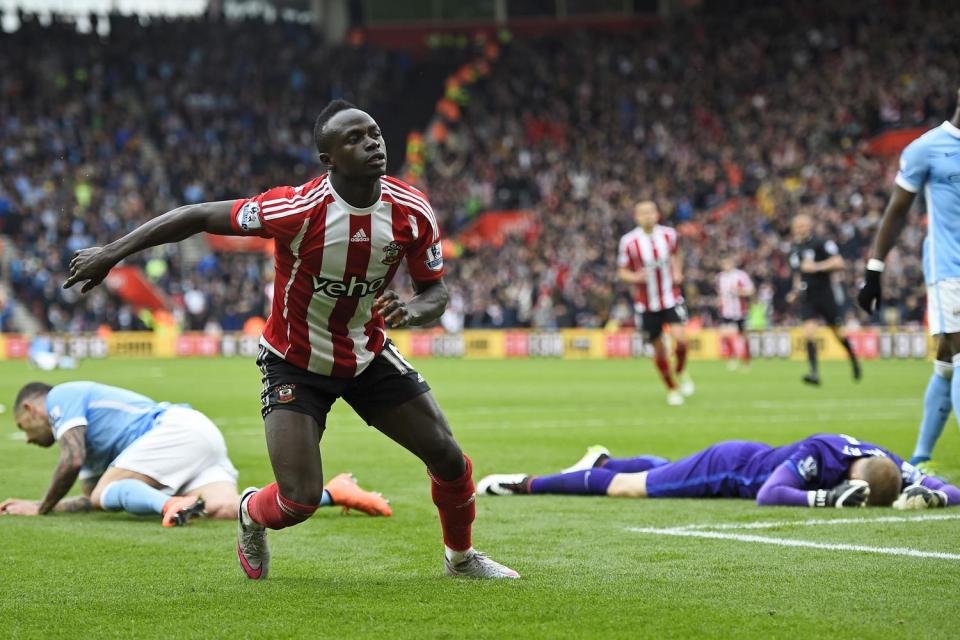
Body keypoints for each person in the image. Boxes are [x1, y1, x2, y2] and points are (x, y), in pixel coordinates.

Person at [63, 100, 518, 580]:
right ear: (329, 160)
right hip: (294, 362)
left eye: (375, 133)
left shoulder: (412, 210)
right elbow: (197, 216)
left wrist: (413, 309)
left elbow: (436, 290)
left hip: (367, 353)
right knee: (298, 499)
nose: (372, 143)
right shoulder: (295, 208)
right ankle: (249, 513)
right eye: (355, 139)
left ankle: (461, 560)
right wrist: (111, 253)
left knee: (447, 456)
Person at [1, 381, 392, 524]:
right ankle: (334, 492)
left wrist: (41, 507)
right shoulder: (91, 445)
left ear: (32, 410)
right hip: (195, 435)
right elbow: (91, 500)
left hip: (172, 430)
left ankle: (167, 504)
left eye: (24, 427)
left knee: (110, 491)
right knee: (224, 509)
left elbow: (72, 463)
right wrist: (44, 505)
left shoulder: (60, 398)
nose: (30, 438)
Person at [857, 88, 960, 472]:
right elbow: (897, 210)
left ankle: (919, 456)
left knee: (947, 364)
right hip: (952, 270)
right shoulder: (927, 148)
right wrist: (874, 269)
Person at [478, 434, 959, 509]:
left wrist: (935, 495)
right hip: (727, 469)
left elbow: (948, 488)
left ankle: (601, 461)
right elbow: (771, 495)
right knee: (631, 490)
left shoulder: (887, 462)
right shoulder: (820, 454)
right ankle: (525, 483)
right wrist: (825, 499)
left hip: (743, 457)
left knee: (664, 469)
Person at [617, 201, 693, 406]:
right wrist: (635, 277)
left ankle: (680, 369)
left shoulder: (669, 235)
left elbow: (677, 254)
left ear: (657, 214)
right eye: (643, 213)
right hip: (646, 304)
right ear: (636, 217)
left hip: (671, 297)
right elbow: (622, 271)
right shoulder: (628, 242)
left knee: (682, 339)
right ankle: (672, 388)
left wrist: (677, 271)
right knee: (659, 350)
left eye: (650, 212)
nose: (647, 216)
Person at [786, 214, 861, 385]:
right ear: (793, 229)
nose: (801, 229)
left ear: (810, 226)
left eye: (804, 225)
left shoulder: (821, 243)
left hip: (826, 294)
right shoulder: (794, 249)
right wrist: (794, 292)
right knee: (809, 333)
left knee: (838, 334)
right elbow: (798, 274)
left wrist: (817, 267)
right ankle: (814, 373)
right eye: (798, 226)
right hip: (808, 297)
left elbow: (839, 262)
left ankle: (854, 360)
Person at [716, 256, 755, 371]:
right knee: (725, 334)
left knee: (743, 337)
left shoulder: (741, 275)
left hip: (740, 311)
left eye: (728, 263)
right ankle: (731, 358)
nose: (726, 265)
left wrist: (739, 291)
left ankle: (746, 361)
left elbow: (751, 290)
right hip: (726, 311)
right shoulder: (720, 277)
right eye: (723, 263)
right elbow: (720, 293)